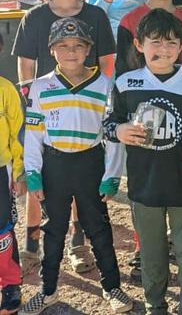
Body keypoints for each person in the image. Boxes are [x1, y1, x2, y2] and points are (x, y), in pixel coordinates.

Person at [104, 9, 182, 315]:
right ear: (139, 45)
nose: (163, 49)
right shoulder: (126, 84)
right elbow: (106, 125)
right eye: (155, 42)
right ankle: (155, 306)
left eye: (171, 42)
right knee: (152, 258)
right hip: (144, 186)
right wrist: (119, 130)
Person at [12, 0, 115, 272]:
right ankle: (31, 244)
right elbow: (25, 66)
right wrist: (31, 102)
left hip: (85, 107)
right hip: (45, 106)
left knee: (78, 177)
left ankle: (77, 242)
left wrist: (99, 102)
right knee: (36, 172)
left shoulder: (95, 15)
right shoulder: (34, 17)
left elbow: (106, 63)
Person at [21, 17, 131, 314]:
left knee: (98, 227)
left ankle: (112, 288)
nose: (71, 51)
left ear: (89, 50)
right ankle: (48, 291)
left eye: (78, 45)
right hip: (54, 165)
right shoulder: (41, 87)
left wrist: (112, 176)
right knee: (53, 230)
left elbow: (113, 136)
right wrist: (33, 173)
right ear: (52, 50)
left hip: (90, 163)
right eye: (64, 46)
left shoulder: (106, 86)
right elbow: (33, 135)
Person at [0, 34, 25, 315]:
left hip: (1, 169)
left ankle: (10, 284)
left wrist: (18, 171)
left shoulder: (6, 90)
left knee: (3, 228)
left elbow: (18, 136)